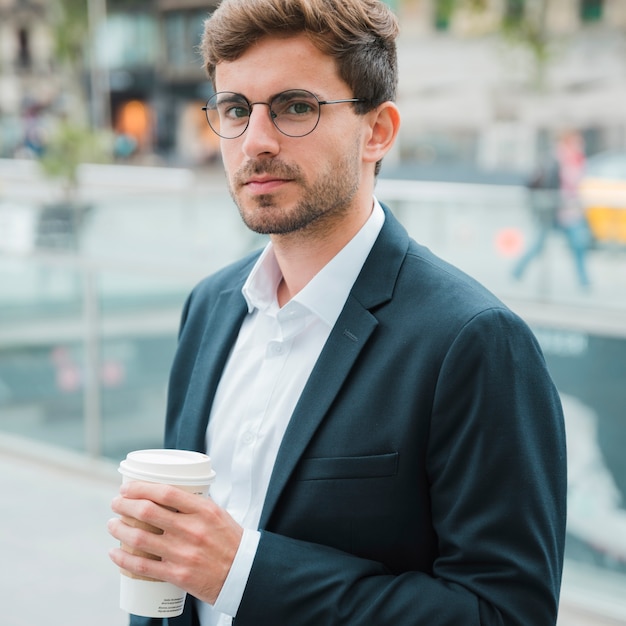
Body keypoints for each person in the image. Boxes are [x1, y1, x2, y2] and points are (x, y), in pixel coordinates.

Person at [108, 1, 567, 625]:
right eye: (236, 110)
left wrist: (240, 570)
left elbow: (504, 613)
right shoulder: (209, 308)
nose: (256, 142)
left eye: (296, 107)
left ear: (377, 131)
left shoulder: (474, 341)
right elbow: (174, 565)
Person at [513, 130, 591, 288]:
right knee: (539, 245)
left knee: (578, 245)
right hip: (552, 210)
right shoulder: (555, 159)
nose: (580, 145)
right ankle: (517, 270)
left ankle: (584, 281)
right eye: (577, 142)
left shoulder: (578, 161)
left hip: (570, 212)